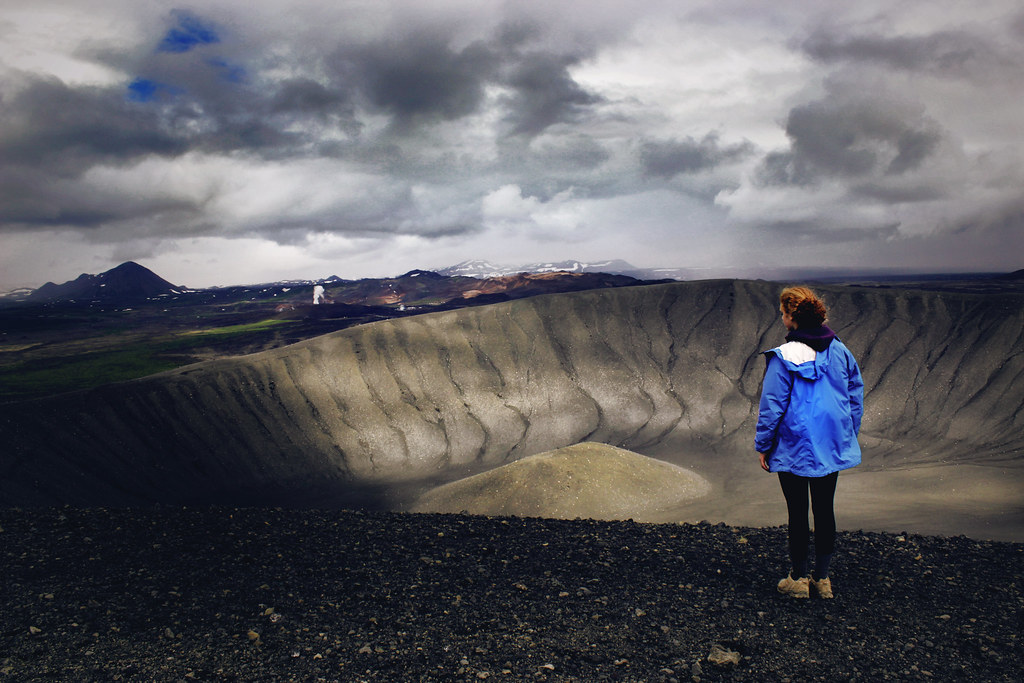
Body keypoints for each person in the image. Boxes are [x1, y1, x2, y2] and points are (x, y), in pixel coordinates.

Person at [755, 286, 864, 599]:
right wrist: (846, 434)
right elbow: (855, 394)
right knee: (825, 508)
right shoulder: (840, 351)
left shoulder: (783, 357)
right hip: (831, 442)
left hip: (793, 444)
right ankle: (823, 580)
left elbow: (772, 405)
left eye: (783, 314)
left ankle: (799, 580)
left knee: (798, 511)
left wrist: (763, 445)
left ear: (792, 317)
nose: (782, 318)